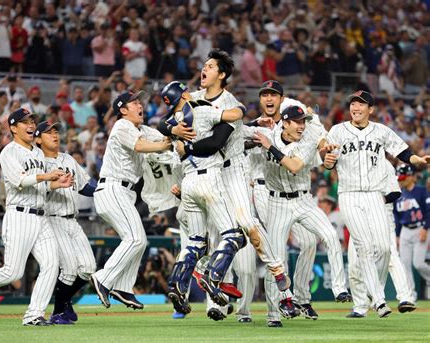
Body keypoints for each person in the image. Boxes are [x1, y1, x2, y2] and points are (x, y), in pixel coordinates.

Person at [158, 50, 292, 322]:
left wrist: (245, 121)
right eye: (203, 65)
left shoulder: (230, 103)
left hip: (232, 169)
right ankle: (212, 289)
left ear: (221, 74)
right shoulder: (193, 98)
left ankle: (277, 272)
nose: (203, 70)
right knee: (210, 234)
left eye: (209, 66)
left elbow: (217, 140)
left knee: (247, 225)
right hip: (206, 175)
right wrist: (173, 131)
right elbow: (164, 122)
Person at [323, 90, 430, 318]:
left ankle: (375, 292)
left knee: (383, 248)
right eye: (353, 103)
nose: (356, 107)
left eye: (361, 104)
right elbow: (328, 159)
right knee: (362, 246)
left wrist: (417, 160)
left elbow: (402, 151)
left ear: (370, 109)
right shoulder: (338, 131)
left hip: (374, 195)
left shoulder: (381, 131)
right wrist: (328, 162)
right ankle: (379, 301)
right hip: (350, 194)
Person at [0, 108, 73, 326]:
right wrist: (47, 175)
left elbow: (40, 185)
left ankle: (34, 314)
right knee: (13, 273)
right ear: (13, 128)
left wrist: (54, 184)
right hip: (19, 216)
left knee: (52, 263)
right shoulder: (8, 152)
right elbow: (20, 180)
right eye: (25, 122)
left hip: (41, 217)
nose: (31, 125)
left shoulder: (38, 153)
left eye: (32, 121)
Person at [253, 105, 351, 326]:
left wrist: (270, 148)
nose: (301, 125)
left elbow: (295, 166)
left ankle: (339, 289)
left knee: (330, 236)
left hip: (304, 200)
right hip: (277, 202)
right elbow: (242, 134)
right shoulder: (269, 135)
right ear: (285, 123)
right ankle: (273, 315)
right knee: (276, 261)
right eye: (297, 121)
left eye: (303, 121)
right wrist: (255, 128)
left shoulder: (307, 139)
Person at [158, 81, 246, 316]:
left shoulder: (173, 122)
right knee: (234, 235)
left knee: (196, 241)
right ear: (185, 93)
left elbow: (161, 126)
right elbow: (236, 113)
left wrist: (173, 131)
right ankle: (213, 275)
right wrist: (240, 109)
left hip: (188, 183)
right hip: (210, 178)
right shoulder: (202, 109)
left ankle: (177, 284)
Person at [90, 91, 171, 310]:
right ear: (123, 109)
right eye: (134, 102)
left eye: (140, 102)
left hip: (124, 193)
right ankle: (104, 278)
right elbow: (140, 146)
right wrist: (163, 145)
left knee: (139, 240)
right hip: (113, 187)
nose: (140, 105)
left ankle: (124, 287)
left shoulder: (141, 129)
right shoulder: (122, 125)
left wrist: (175, 132)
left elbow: (163, 138)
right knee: (135, 239)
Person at [34, 121, 97, 325]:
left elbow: (84, 186)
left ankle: (65, 301)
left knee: (88, 267)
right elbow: (34, 189)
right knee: (69, 269)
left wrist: (105, 189)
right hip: (52, 219)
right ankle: (58, 312)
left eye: (56, 132)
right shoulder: (36, 162)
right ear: (37, 139)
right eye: (48, 132)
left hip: (73, 220)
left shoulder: (68, 159)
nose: (55, 135)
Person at [347, 160, 416, 318]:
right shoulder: (352, 160)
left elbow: (395, 192)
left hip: (382, 214)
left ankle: (404, 297)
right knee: (354, 264)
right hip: (357, 215)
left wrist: (373, 201)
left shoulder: (385, 165)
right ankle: (360, 307)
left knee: (390, 255)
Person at [394, 164, 430, 304]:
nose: (400, 179)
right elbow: (396, 216)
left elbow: (428, 211)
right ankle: (410, 295)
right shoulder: (398, 193)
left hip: (420, 228)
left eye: (402, 176)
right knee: (405, 265)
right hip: (405, 230)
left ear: (410, 176)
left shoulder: (421, 191)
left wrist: (426, 228)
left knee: (419, 263)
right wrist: (397, 235)